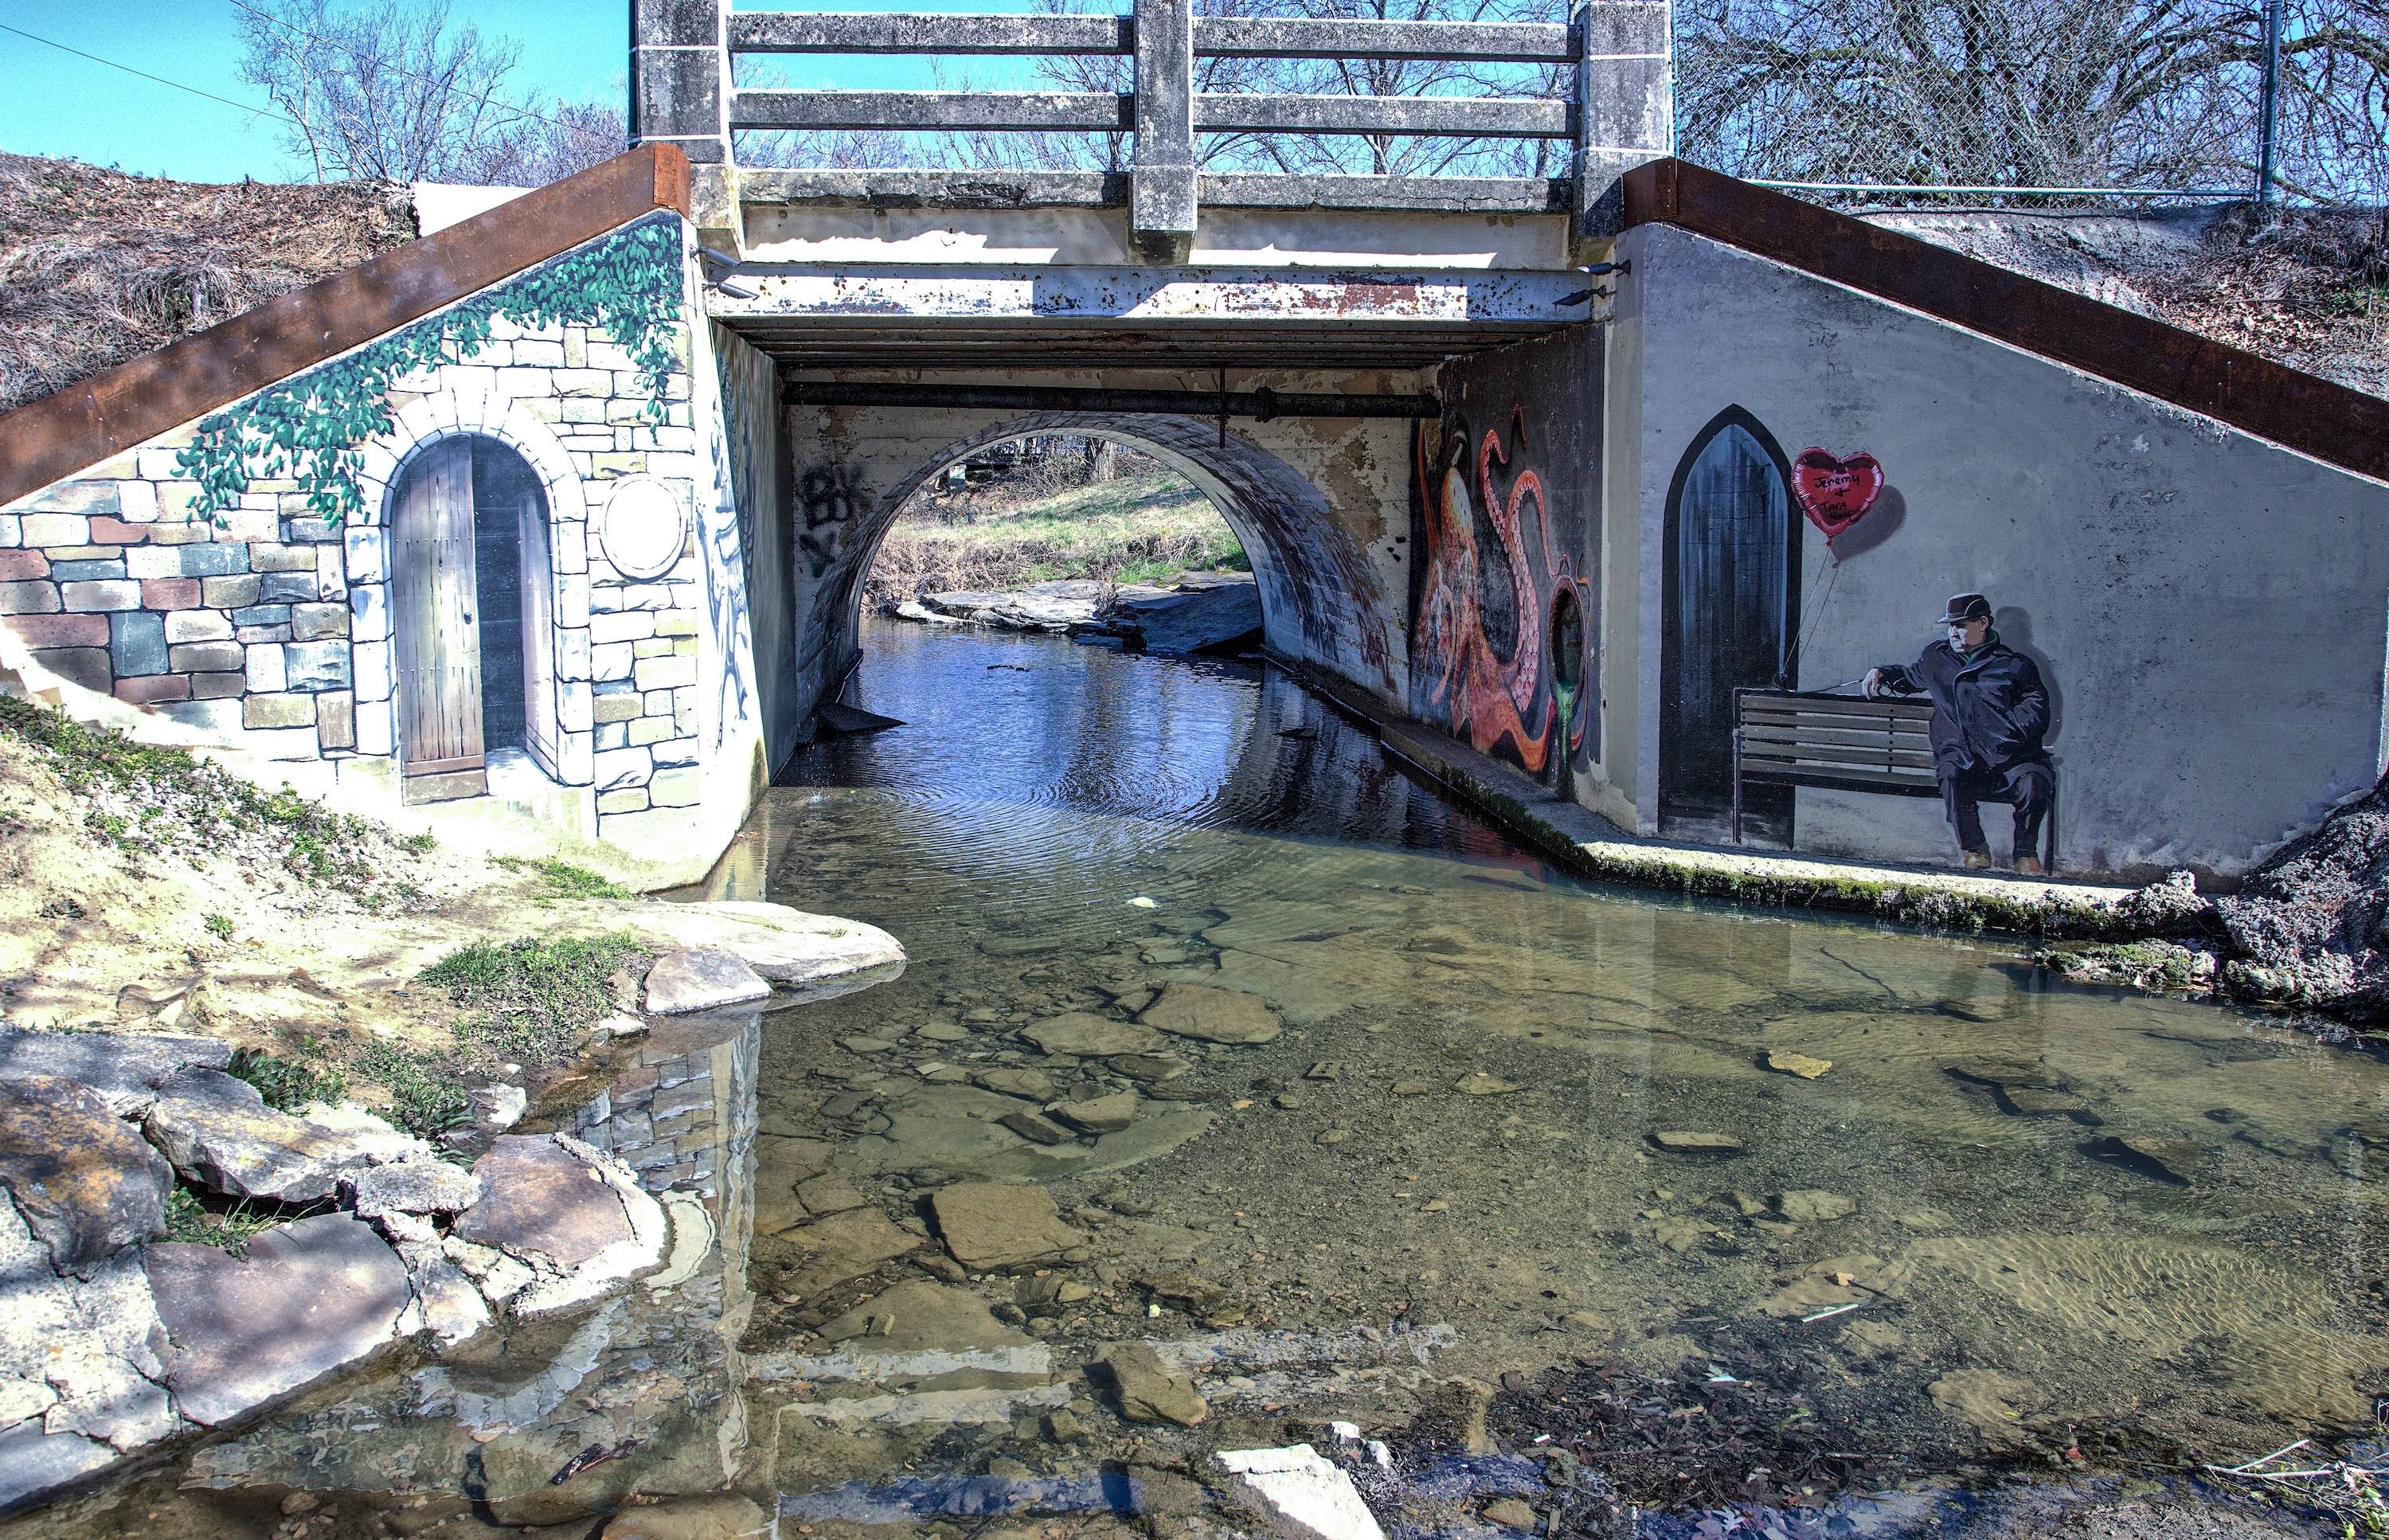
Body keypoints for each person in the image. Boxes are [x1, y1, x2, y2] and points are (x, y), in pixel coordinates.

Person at [1864, 592, 2055, 874]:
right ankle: (1975, 849)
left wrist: (2006, 734)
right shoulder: (1936, 658)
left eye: (1961, 625)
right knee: (1951, 773)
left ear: (1983, 623)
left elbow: (2036, 708)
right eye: (1951, 626)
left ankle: (2025, 854)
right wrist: (1881, 673)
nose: (1953, 632)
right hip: (1963, 756)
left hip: (2010, 757)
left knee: (2034, 781)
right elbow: (1911, 676)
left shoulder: (2014, 664)